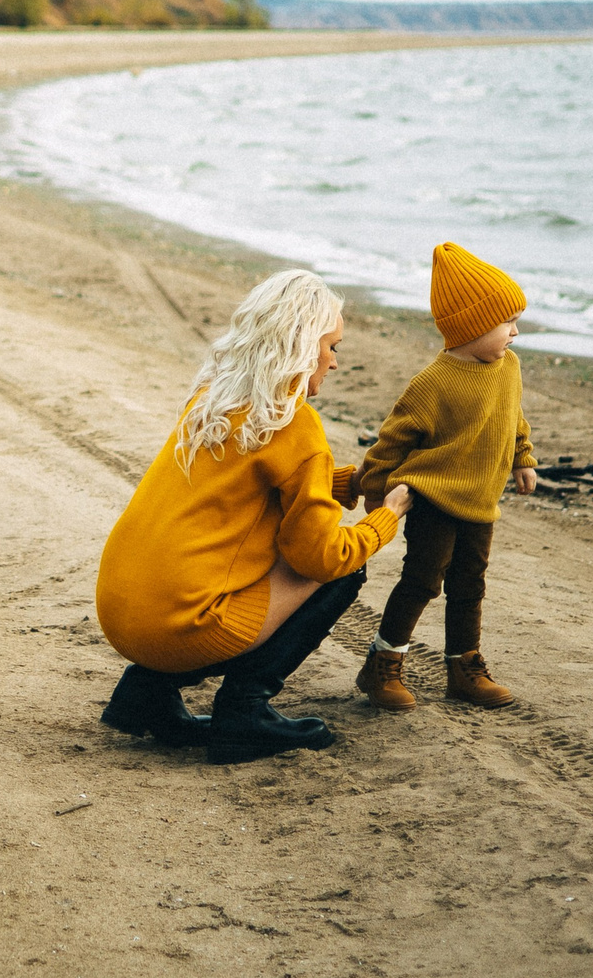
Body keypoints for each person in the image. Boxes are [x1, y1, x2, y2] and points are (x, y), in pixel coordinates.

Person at [94, 269, 409, 764]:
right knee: (346, 567)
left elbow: (244, 488)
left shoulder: (214, 397)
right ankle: (245, 712)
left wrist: (348, 482)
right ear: (302, 349)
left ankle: (145, 695)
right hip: (180, 627)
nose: (333, 360)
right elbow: (321, 556)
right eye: (331, 346)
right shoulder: (294, 421)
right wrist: (385, 519)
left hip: (122, 613)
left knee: (251, 555)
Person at [353, 242, 538, 711]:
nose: (515, 333)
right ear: (472, 327)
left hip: (481, 498)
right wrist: (377, 496)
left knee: (470, 583)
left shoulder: (508, 367)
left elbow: (513, 417)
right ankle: (382, 665)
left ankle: (464, 667)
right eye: (506, 323)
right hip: (432, 497)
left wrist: (523, 457)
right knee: (422, 580)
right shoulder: (432, 383)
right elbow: (390, 442)